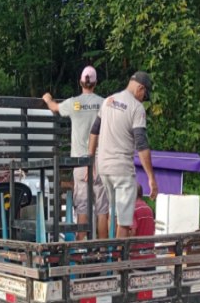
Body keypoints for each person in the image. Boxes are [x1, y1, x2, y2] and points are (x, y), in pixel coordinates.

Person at [88, 71, 158, 238]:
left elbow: (94, 131)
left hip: (104, 167)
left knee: (114, 213)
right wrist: (151, 178)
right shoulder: (136, 108)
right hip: (122, 170)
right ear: (140, 88)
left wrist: (90, 161)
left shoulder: (108, 101)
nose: (143, 99)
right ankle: (120, 261)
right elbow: (141, 143)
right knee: (125, 222)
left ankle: (111, 255)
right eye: (145, 95)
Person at [43, 66, 109, 239]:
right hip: (99, 163)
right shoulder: (104, 103)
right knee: (103, 210)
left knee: (82, 208)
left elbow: (54, 107)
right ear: (95, 83)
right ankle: (103, 251)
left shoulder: (74, 104)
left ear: (80, 82)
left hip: (80, 164)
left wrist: (47, 97)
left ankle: (81, 250)